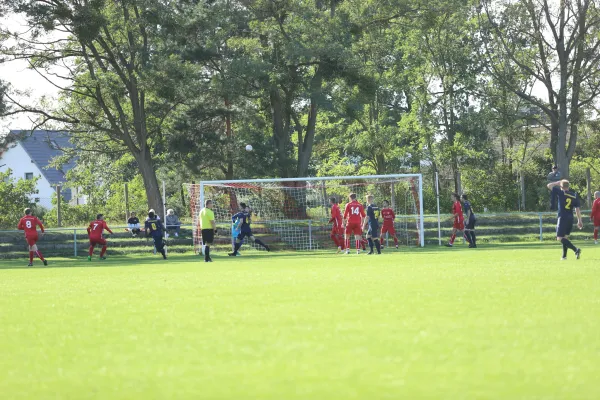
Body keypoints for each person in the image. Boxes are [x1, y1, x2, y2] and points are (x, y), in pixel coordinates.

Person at [547, 179, 583, 260]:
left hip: (562, 217)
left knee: (559, 238)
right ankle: (564, 256)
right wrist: (579, 220)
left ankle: (576, 250)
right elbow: (577, 209)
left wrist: (556, 183)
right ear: (568, 187)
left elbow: (549, 185)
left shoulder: (561, 192)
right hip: (570, 217)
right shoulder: (574, 195)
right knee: (565, 237)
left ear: (561, 186)